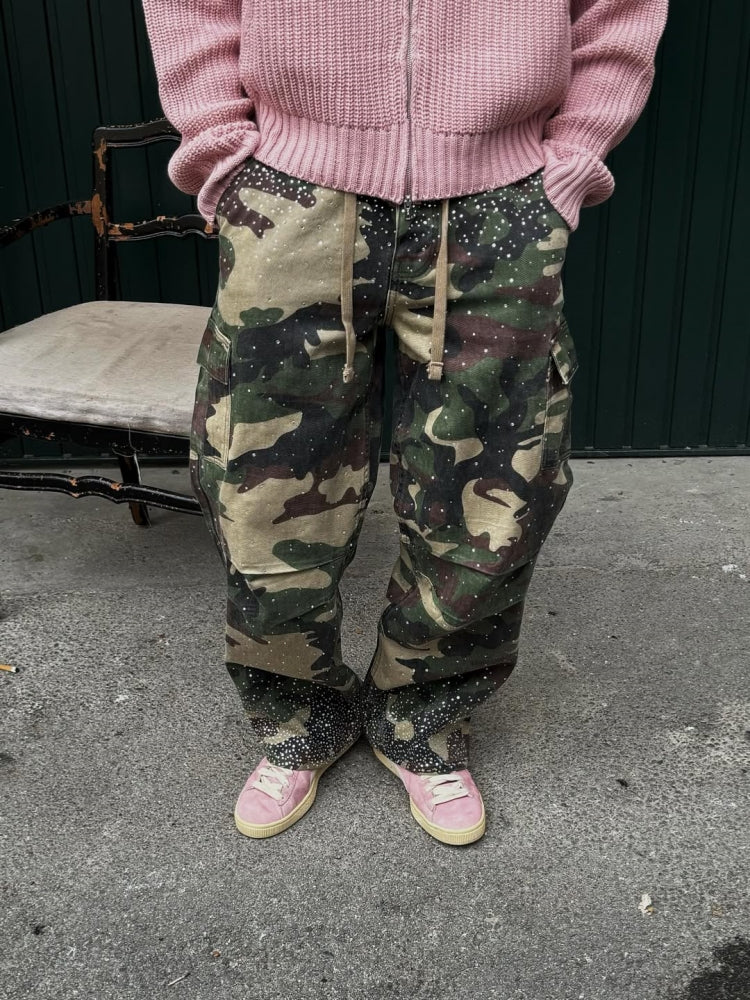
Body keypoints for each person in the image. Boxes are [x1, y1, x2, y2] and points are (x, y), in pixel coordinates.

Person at [142, 0, 669, 845]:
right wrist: (222, 150)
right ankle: (297, 714)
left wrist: (572, 159)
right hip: (290, 189)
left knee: (497, 480)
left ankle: (424, 715)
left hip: (501, 197)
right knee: (260, 482)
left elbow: (619, 13)